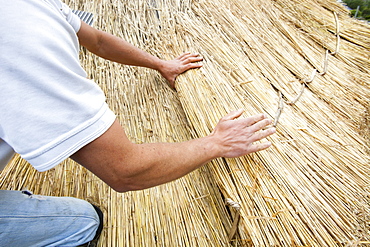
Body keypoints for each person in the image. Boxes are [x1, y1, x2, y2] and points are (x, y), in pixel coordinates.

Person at [0, 0, 276, 246]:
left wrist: (161, 64)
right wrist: (217, 143)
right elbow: (124, 171)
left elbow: (96, 40)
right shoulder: (18, 39)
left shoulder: (34, 6)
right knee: (83, 223)